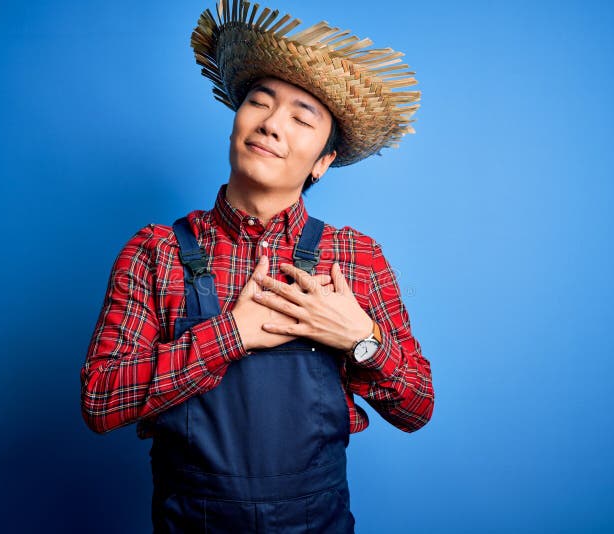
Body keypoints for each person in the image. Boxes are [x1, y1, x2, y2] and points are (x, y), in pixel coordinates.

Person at [80, 1, 434, 531]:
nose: (271, 124)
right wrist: (231, 335)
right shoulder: (156, 252)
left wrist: (361, 338)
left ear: (322, 161)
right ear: (235, 121)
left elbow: (417, 407)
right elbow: (101, 399)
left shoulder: (355, 258)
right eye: (258, 102)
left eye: (300, 117)